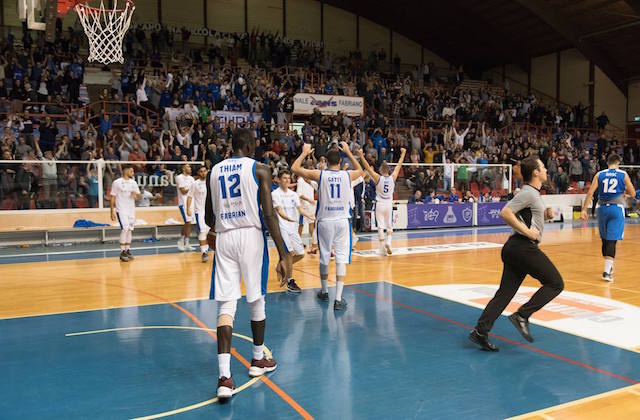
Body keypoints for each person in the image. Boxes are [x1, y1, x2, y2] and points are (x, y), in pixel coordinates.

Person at [205, 128, 290, 399]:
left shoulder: (214, 171)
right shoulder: (260, 169)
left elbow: (209, 217)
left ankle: (224, 378)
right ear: (251, 145)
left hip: (225, 237)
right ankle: (257, 359)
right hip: (251, 236)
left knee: (226, 305)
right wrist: (284, 252)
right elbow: (268, 215)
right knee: (256, 299)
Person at [468, 157, 563, 351]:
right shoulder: (528, 192)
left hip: (515, 249)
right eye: (543, 167)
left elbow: (526, 218)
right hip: (522, 247)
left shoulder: (532, 194)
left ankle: (480, 332)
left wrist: (544, 216)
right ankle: (522, 316)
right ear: (536, 172)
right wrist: (528, 233)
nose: (546, 169)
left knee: (504, 294)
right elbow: (506, 212)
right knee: (555, 283)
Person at [292, 142, 363, 310]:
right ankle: (338, 299)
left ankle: (324, 291)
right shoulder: (347, 175)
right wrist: (349, 152)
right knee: (340, 260)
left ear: (327, 161)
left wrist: (304, 153)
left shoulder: (321, 174)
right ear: (340, 161)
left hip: (325, 221)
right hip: (342, 222)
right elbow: (361, 170)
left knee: (324, 257)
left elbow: (295, 168)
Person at [581, 154, 636, 282]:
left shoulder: (600, 174)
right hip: (616, 209)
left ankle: (608, 267)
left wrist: (584, 210)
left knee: (605, 240)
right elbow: (633, 193)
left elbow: (590, 193)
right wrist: (624, 193)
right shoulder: (623, 174)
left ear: (607, 163)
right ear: (618, 163)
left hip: (602, 209)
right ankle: (606, 272)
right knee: (612, 241)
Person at [272, 169, 315, 293]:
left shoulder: (293, 194)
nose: (287, 180)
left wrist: (309, 215)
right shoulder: (275, 194)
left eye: (288, 178)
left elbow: (300, 209)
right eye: (284, 178)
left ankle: (281, 265)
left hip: (293, 228)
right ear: (278, 180)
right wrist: (287, 218)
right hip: (282, 228)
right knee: (289, 253)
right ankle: (290, 281)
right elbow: (279, 211)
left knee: (301, 253)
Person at [358, 147, 406, 255]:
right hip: (389, 204)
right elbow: (399, 165)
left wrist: (361, 155)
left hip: (379, 204)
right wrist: (403, 153)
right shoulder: (392, 177)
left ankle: (382, 248)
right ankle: (389, 242)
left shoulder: (378, 178)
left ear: (380, 170)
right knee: (389, 226)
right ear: (388, 170)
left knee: (380, 226)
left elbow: (368, 168)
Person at [110, 165, 141, 262]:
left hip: (131, 210)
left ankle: (127, 250)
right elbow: (113, 197)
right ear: (125, 171)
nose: (133, 172)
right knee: (125, 228)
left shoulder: (134, 183)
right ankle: (122, 252)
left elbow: (139, 198)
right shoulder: (117, 182)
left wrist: (136, 194)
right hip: (121, 209)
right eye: (131, 171)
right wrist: (112, 211)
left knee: (130, 230)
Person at [186, 165, 211, 263]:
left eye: (205, 171)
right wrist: (188, 209)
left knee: (210, 232)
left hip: (211, 211)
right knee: (202, 231)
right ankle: (204, 252)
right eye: (201, 171)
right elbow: (189, 196)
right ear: (198, 173)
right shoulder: (195, 184)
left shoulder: (211, 182)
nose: (203, 173)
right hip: (200, 211)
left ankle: (210, 249)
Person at [296, 169, 318, 254]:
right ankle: (300, 244)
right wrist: (309, 199)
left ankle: (313, 244)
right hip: (304, 205)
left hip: (309, 205)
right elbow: (299, 194)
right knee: (303, 225)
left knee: (309, 224)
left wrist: (310, 200)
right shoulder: (301, 180)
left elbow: (301, 194)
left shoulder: (309, 180)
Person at [176, 164, 195, 251]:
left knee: (189, 223)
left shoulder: (191, 179)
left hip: (191, 203)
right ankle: (180, 241)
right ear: (183, 168)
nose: (190, 168)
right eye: (188, 167)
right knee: (187, 222)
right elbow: (183, 191)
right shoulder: (179, 177)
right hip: (183, 203)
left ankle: (187, 243)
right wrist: (191, 188)